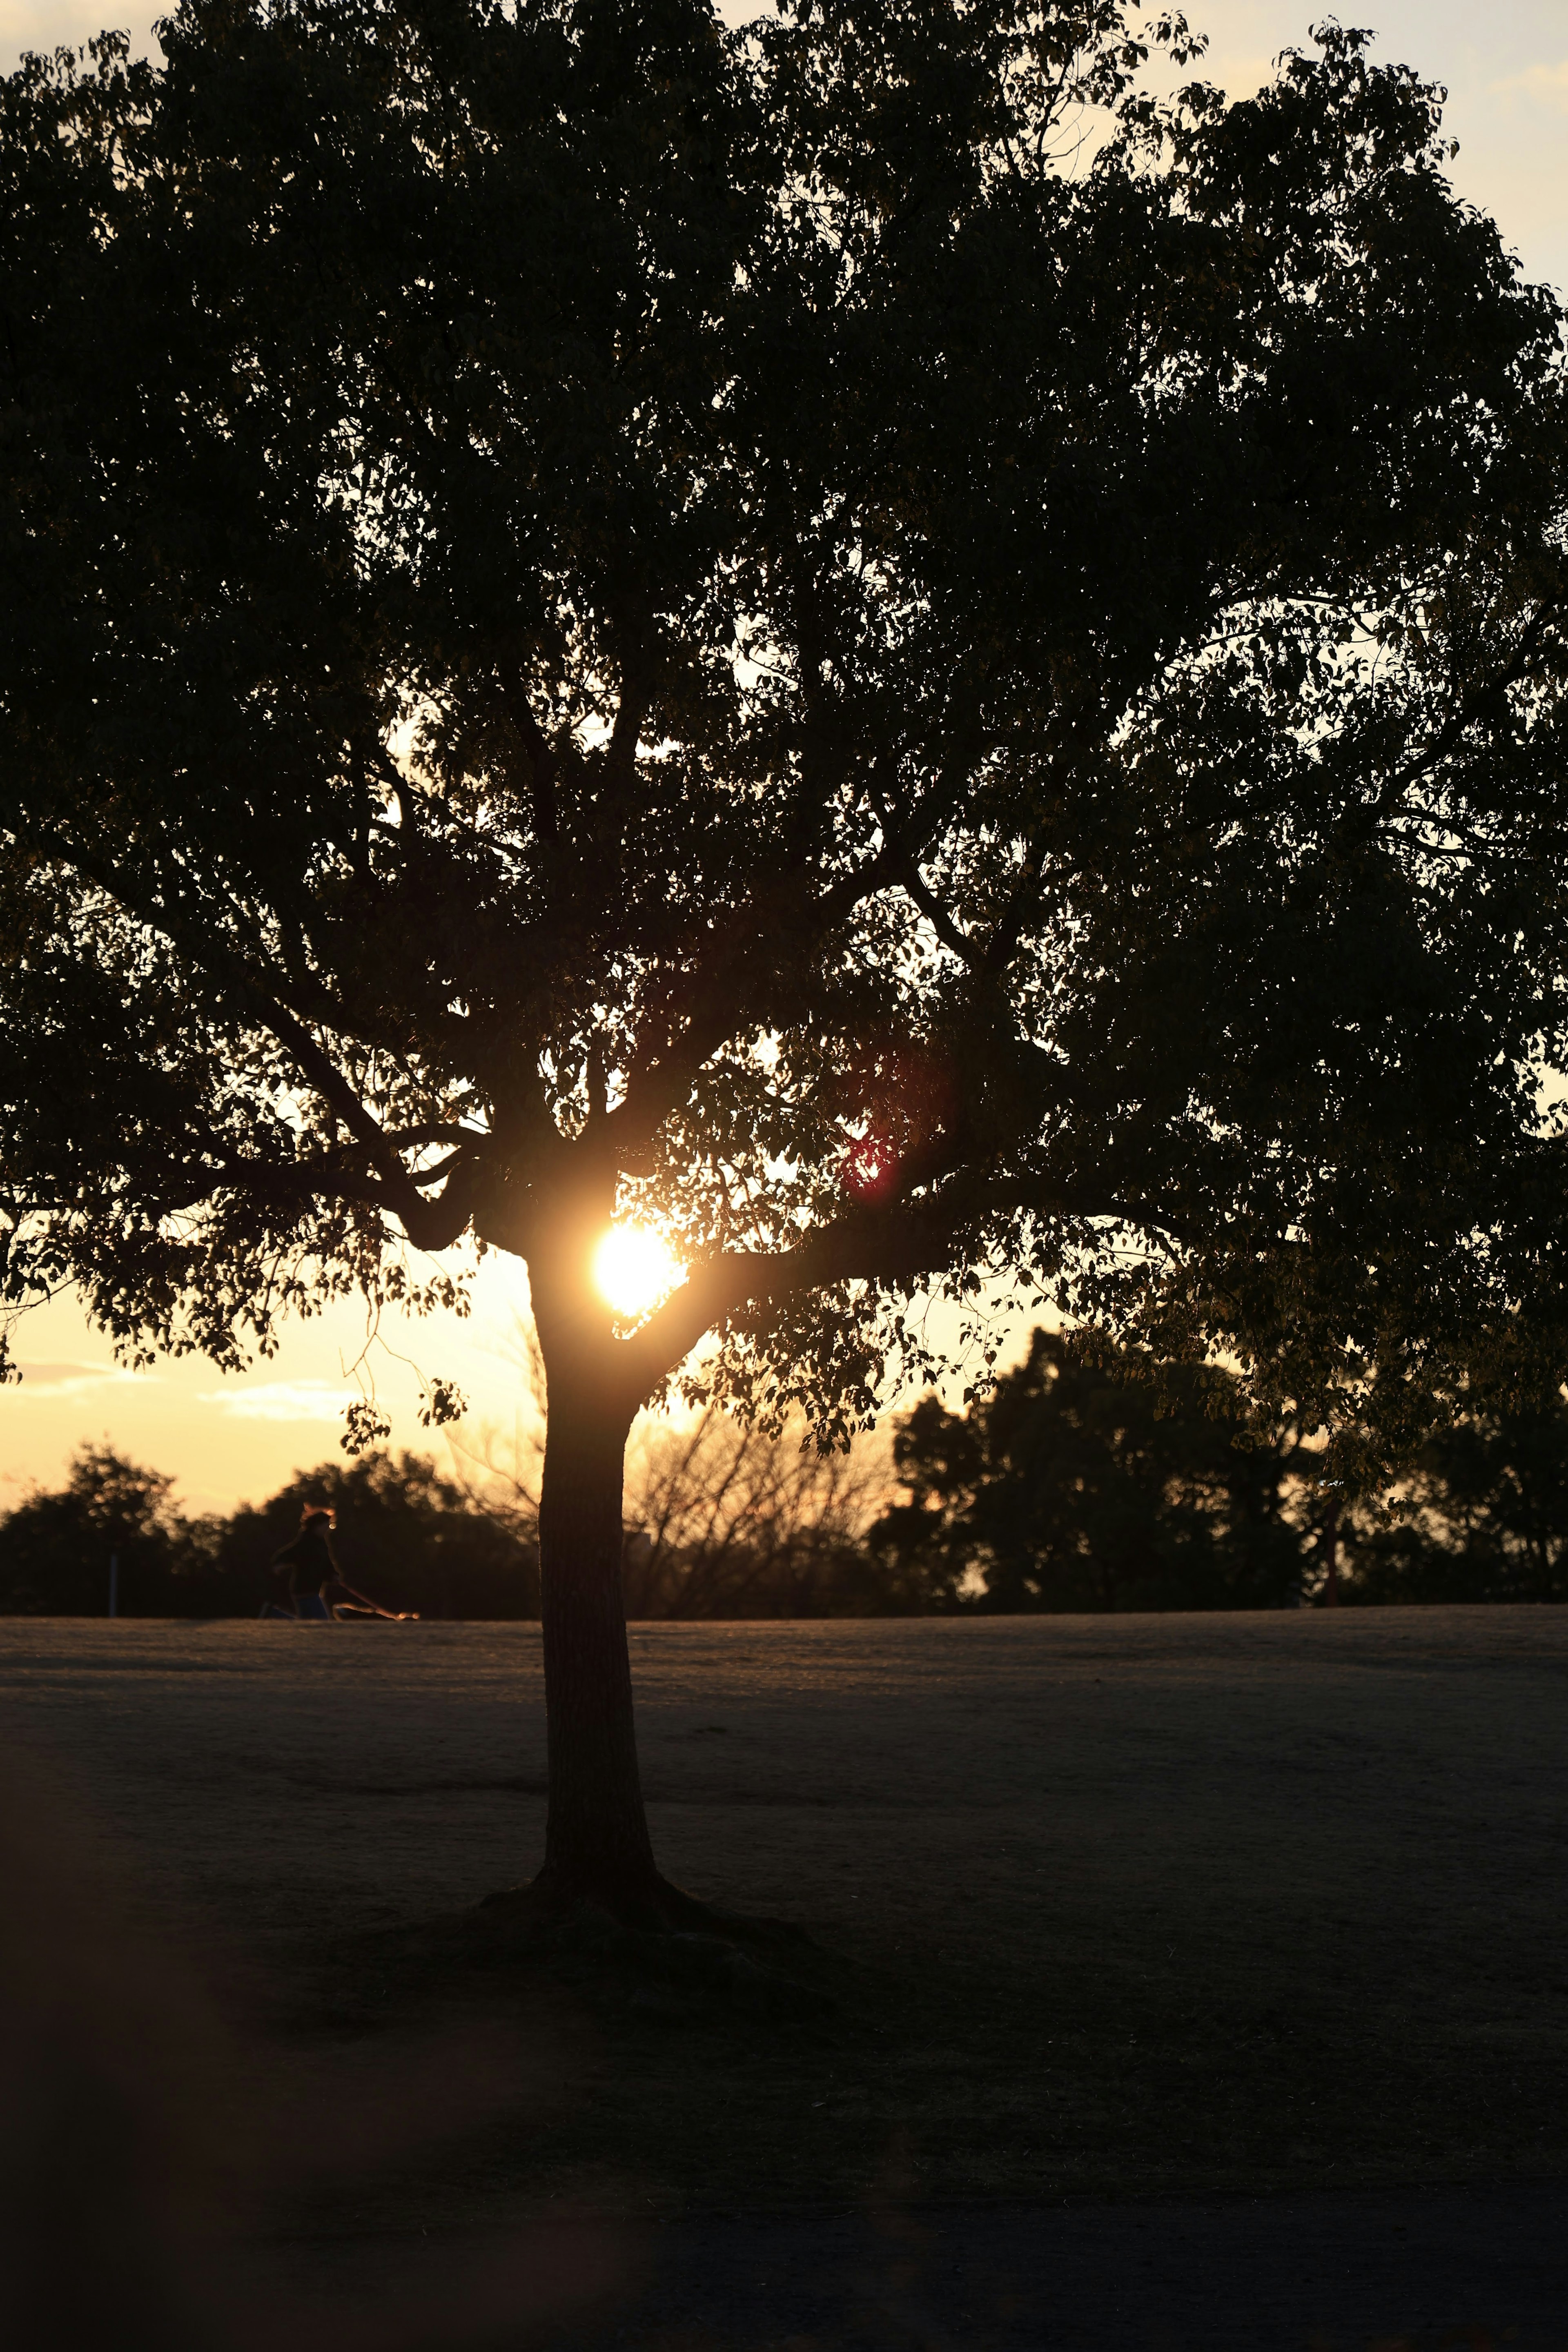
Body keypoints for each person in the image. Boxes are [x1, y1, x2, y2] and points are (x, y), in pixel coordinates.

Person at [258, 1506, 417, 1623]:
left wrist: (333, 1575)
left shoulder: (320, 1543)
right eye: (327, 1525)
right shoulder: (306, 1543)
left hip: (312, 1589)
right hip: (305, 1589)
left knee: (307, 1624)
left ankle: (272, 1614)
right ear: (317, 1526)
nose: (329, 1528)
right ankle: (272, 1614)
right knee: (321, 1624)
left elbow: (326, 1563)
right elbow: (287, 1554)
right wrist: (279, 1564)